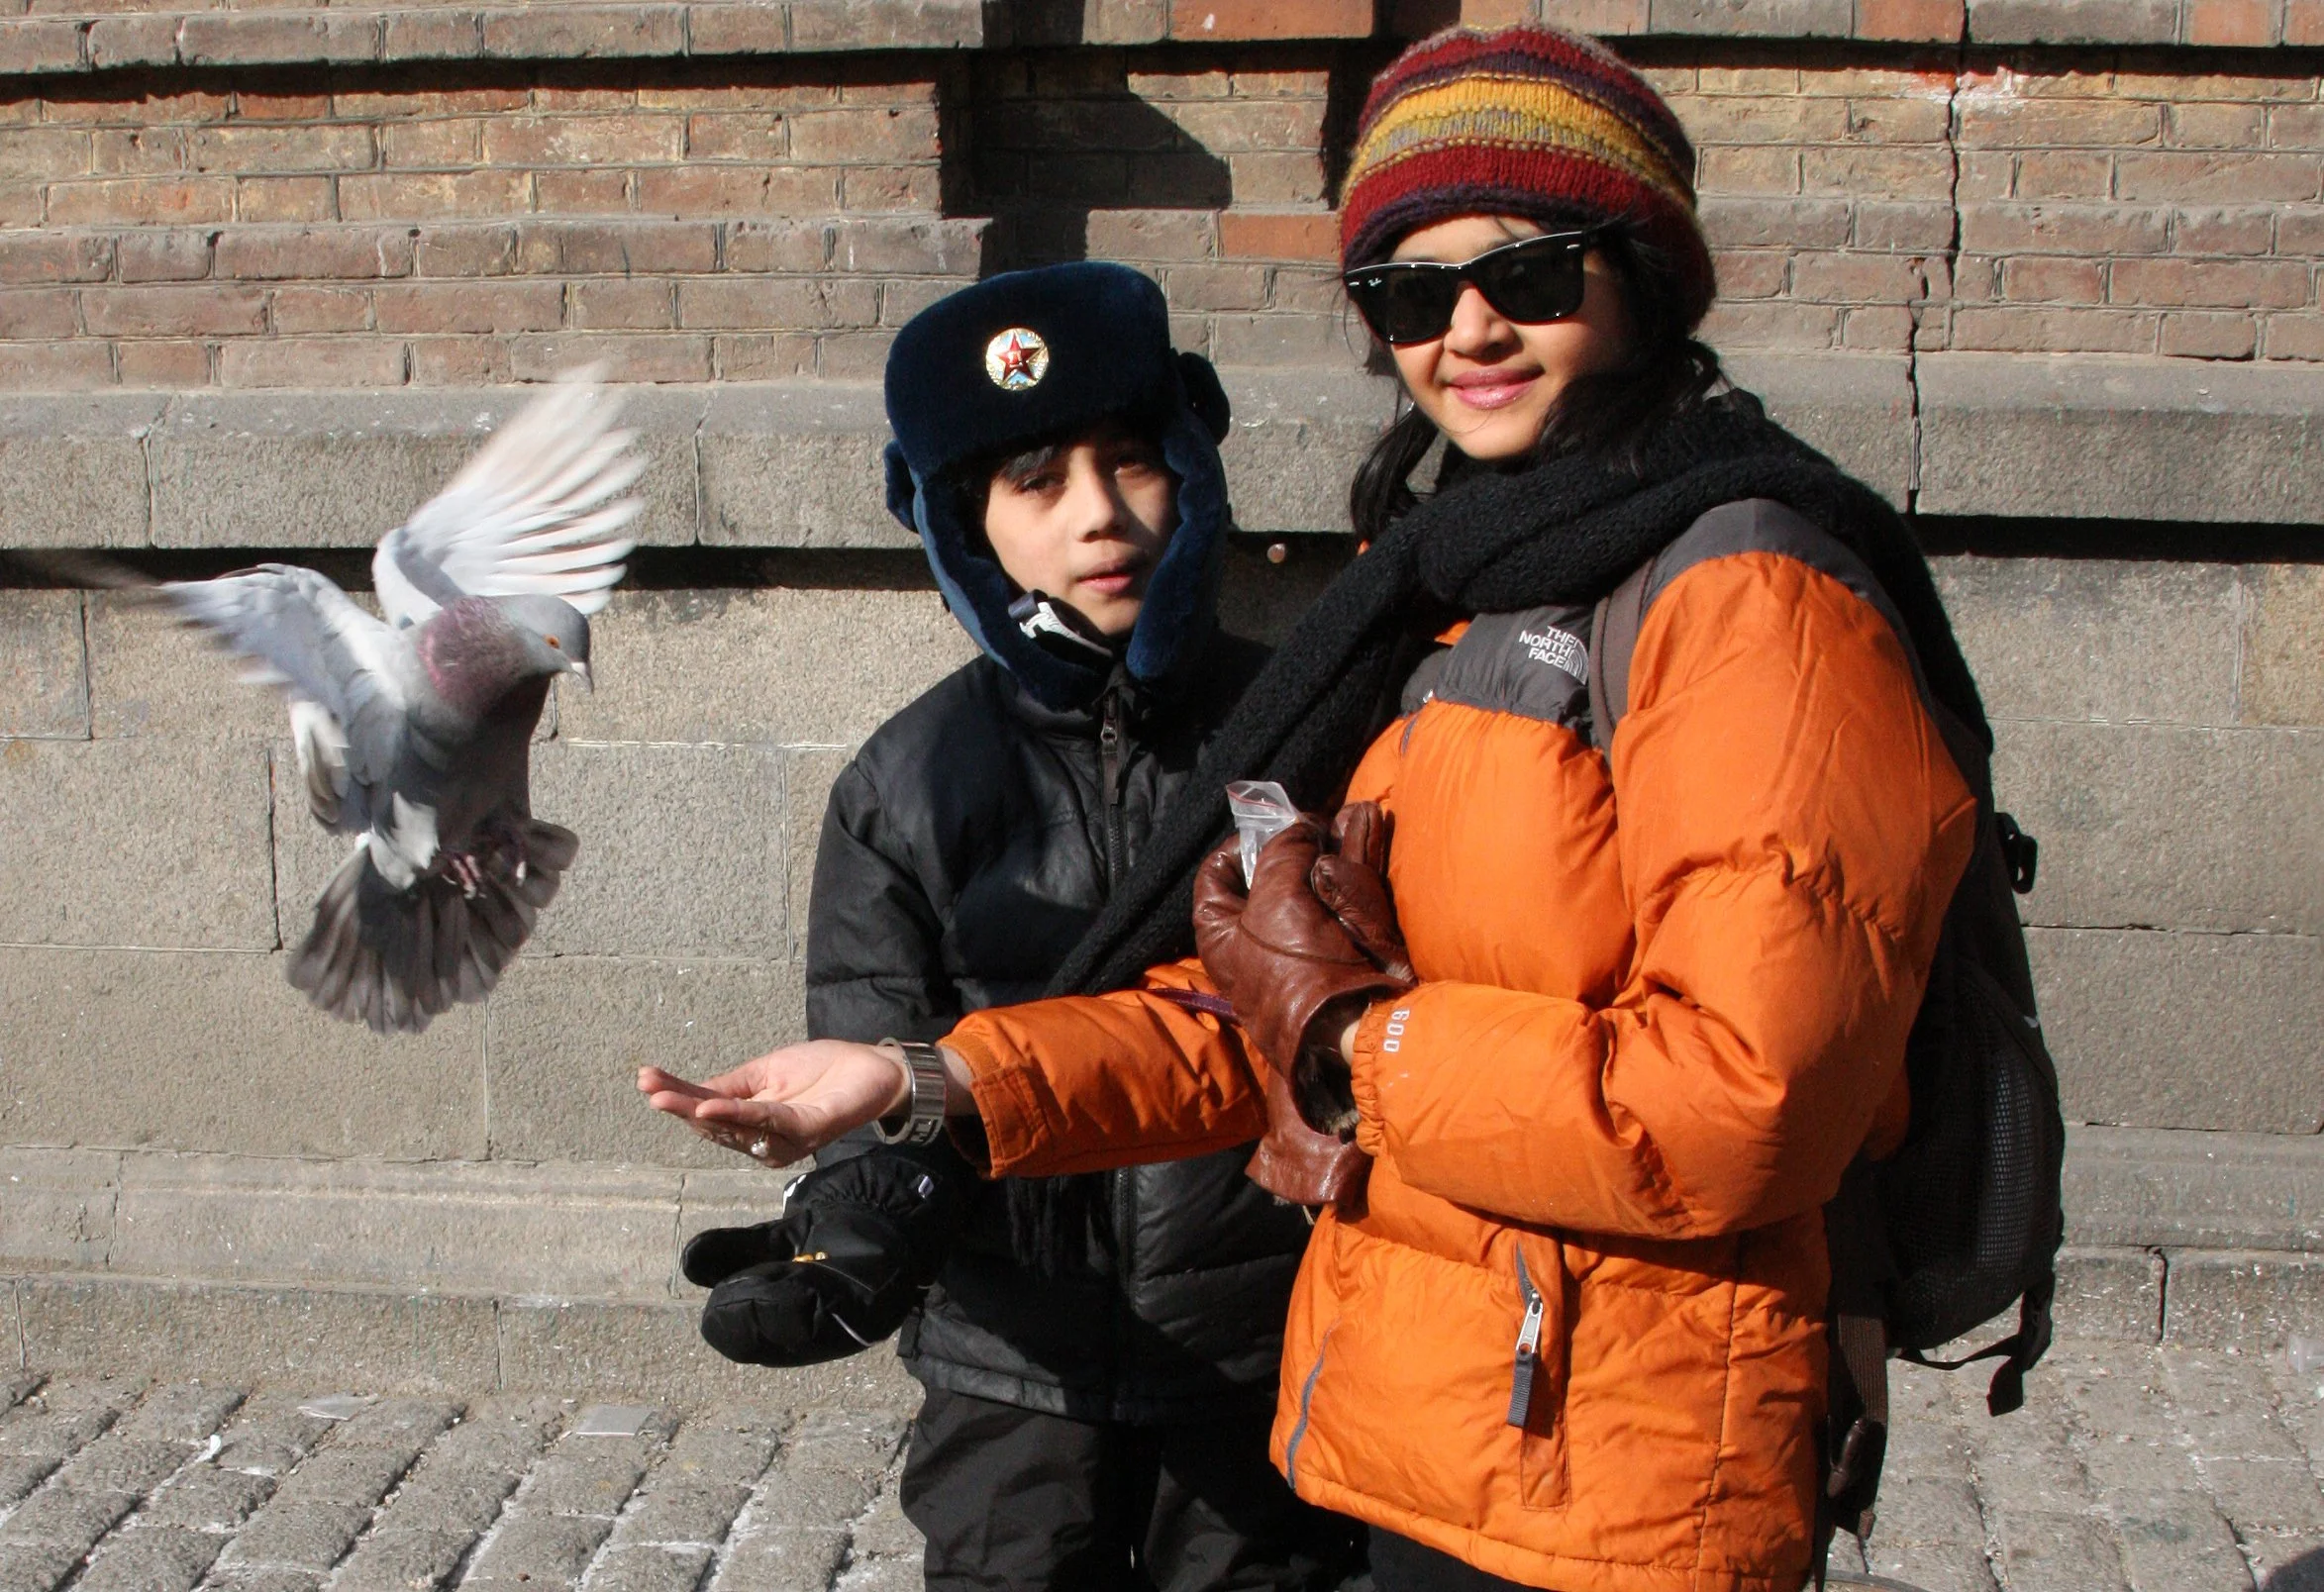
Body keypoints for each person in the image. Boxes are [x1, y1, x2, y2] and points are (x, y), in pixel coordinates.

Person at [646, 25, 1988, 1592]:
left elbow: (1731, 1102)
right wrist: (912, 1078)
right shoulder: (1439, 596)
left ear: (1640, 274)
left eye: (1532, 274)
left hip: (1614, 1468)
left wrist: (1350, 1043)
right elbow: (1252, 1019)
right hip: (1423, 1429)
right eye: (1410, 295)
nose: (1468, 331)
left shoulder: (1742, 592)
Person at [654, 261, 1356, 1592]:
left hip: (1267, 1348)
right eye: (1037, 482)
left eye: (1132, 463)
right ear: (968, 523)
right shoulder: (902, 784)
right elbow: (877, 1053)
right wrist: (862, 1220)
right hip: (1014, 1368)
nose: (1100, 516)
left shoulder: (1310, 731)